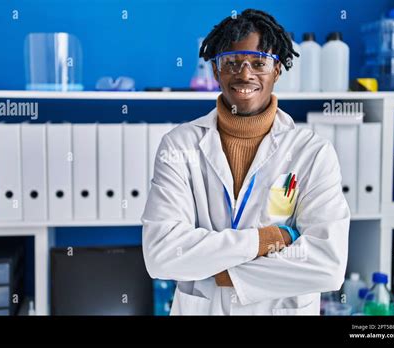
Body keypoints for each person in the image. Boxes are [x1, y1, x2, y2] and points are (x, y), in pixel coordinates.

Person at [142, 9, 350, 315]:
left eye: (258, 63)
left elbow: (327, 264)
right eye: (232, 63)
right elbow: (161, 254)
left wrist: (226, 273)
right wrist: (265, 240)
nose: (245, 74)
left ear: (277, 70)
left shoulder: (313, 152)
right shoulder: (179, 145)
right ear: (215, 70)